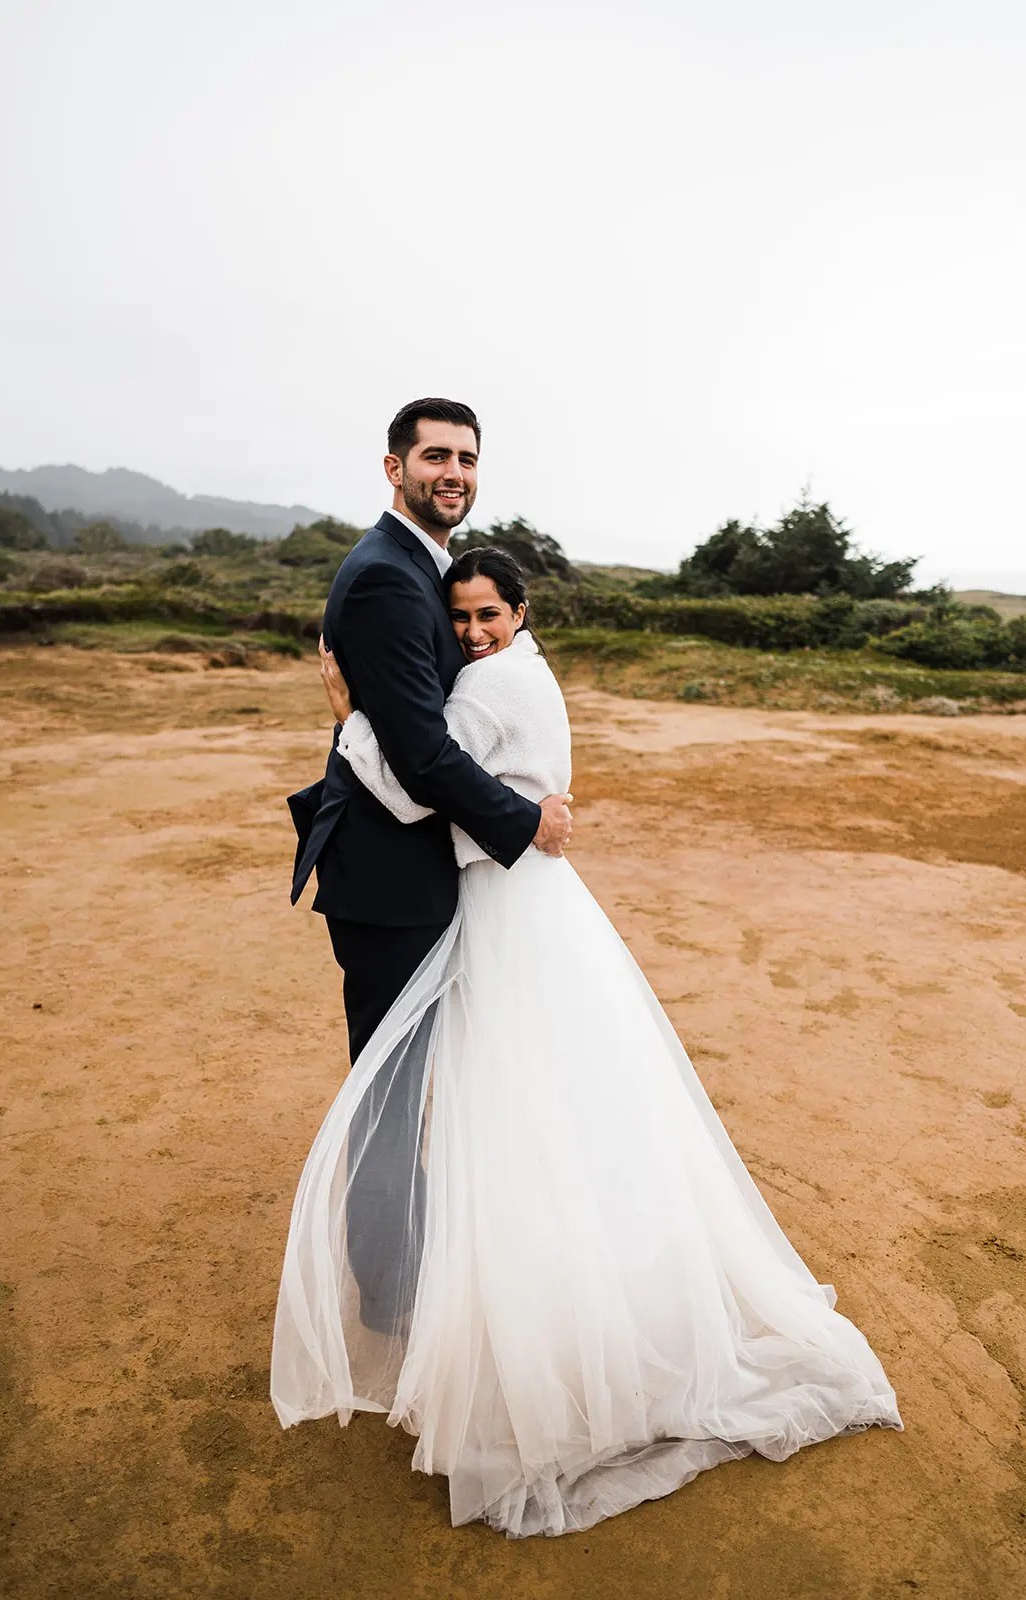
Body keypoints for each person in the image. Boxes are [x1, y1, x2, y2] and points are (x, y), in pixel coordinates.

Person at [270, 545, 903, 1539]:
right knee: (558, 1103)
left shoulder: (489, 684)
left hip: (503, 906)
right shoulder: (526, 672)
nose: (472, 631)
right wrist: (524, 807)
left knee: (516, 1109)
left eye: (488, 613)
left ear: (522, 610)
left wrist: (349, 707)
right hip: (530, 901)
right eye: (461, 617)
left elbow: (405, 786)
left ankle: (540, 1331)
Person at [284, 398, 573, 1334]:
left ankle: (411, 1262)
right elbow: (419, 755)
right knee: (390, 1085)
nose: (453, 471)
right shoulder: (381, 578)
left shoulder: (428, 569)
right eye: (435, 456)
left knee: (411, 1078)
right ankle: (393, 1295)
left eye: (467, 457)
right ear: (393, 468)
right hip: (388, 879)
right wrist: (524, 820)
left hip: (412, 868)